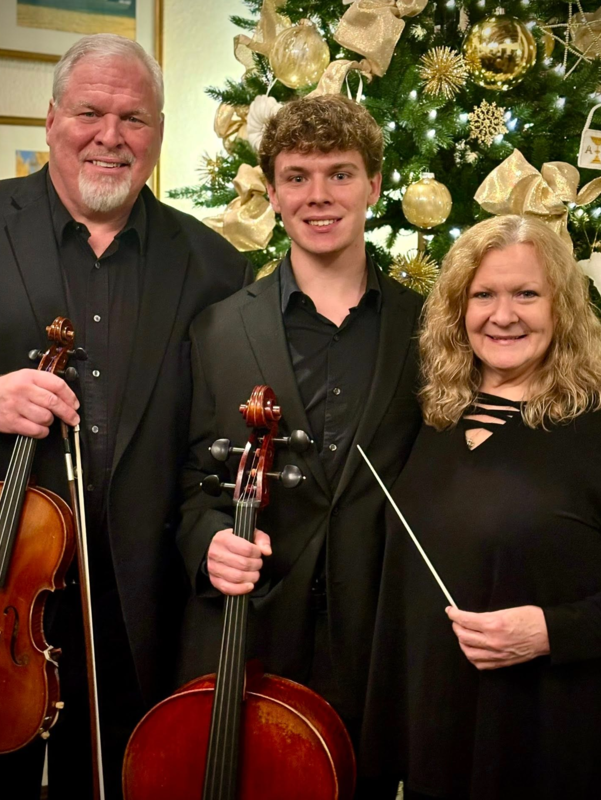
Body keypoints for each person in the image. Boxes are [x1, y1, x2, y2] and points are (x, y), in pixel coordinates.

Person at [0, 33, 251, 800]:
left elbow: (214, 448)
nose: (111, 136)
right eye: (89, 113)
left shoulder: (215, 267)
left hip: (139, 610)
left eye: (133, 118)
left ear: (158, 134)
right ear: (51, 120)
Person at [176, 95, 422, 798]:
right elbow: (191, 481)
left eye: (340, 174)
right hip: (253, 636)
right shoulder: (218, 329)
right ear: (273, 190)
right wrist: (208, 541)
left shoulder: (427, 326)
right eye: (297, 176)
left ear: (374, 185)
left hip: (376, 643)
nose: (319, 196)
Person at [359, 214, 601, 799]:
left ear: (562, 307)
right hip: (441, 739)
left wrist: (552, 631)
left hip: (554, 744)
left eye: (526, 294)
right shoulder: (433, 416)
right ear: (459, 308)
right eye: (483, 295)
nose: (502, 315)